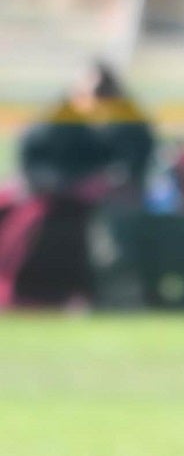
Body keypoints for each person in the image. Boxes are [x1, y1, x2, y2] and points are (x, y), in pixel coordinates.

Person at [0, 60, 156, 309]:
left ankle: (113, 295)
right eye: (94, 92)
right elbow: (33, 164)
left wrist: (109, 182)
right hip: (55, 200)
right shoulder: (55, 124)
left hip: (106, 204)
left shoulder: (127, 125)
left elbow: (135, 163)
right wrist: (70, 186)